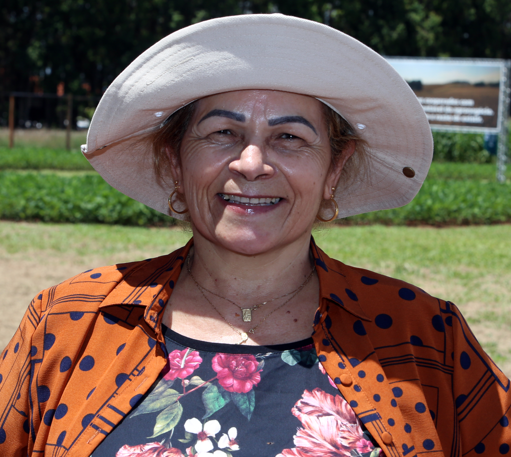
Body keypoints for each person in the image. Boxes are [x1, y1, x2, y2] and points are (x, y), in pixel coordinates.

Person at [1, 14, 510, 457]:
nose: (251, 163)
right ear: (175, 160)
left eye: (289, 137)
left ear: (334, 169)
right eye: (222, 133)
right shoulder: (67, 323)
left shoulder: (425, 335)